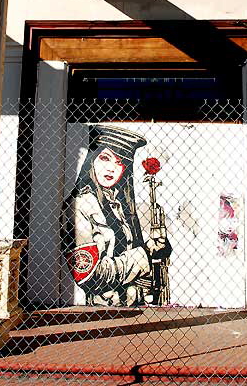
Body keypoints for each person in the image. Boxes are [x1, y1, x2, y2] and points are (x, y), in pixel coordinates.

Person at [61, 125, 170, 306]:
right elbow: (89, 275)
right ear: (92, 160)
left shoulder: (119, 205)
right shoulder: (80, 205)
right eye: (105, 158)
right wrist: (144, 254)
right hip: (99, 310)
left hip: (129, 304)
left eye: (119, 162)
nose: (112, 168)